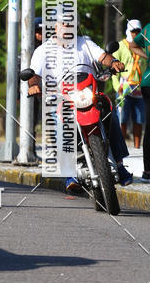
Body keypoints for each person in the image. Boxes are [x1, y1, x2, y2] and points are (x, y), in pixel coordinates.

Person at [27, 14, 132, 192]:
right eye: (63, 23)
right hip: (62, 98)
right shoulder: (43, 51)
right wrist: (34, 85)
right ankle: (69, 173)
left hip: (88, 94)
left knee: (109, 111)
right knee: (60, 123)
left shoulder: (84, 42)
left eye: (71, 23)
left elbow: (102, 56)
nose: (67, 27)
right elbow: (34, 75)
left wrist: (113, 62)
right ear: (55, 26)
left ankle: (120, 165)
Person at [112, 19, 146, 149]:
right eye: (133, 31)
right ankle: (122, 147)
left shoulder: (144, 45)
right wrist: (117, 87)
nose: (135, 33)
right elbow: (114, 70)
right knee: (123, 119)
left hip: (139, 88)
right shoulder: (121, 46)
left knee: (139, 120)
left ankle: (137, 147)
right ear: (128, 31)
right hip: (124, 86)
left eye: (138, 31)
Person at [133, 21, 150, 181]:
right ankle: (148, 171)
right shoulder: (147, 28)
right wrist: (148, 55)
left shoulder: (147, 28)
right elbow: (133, 45)